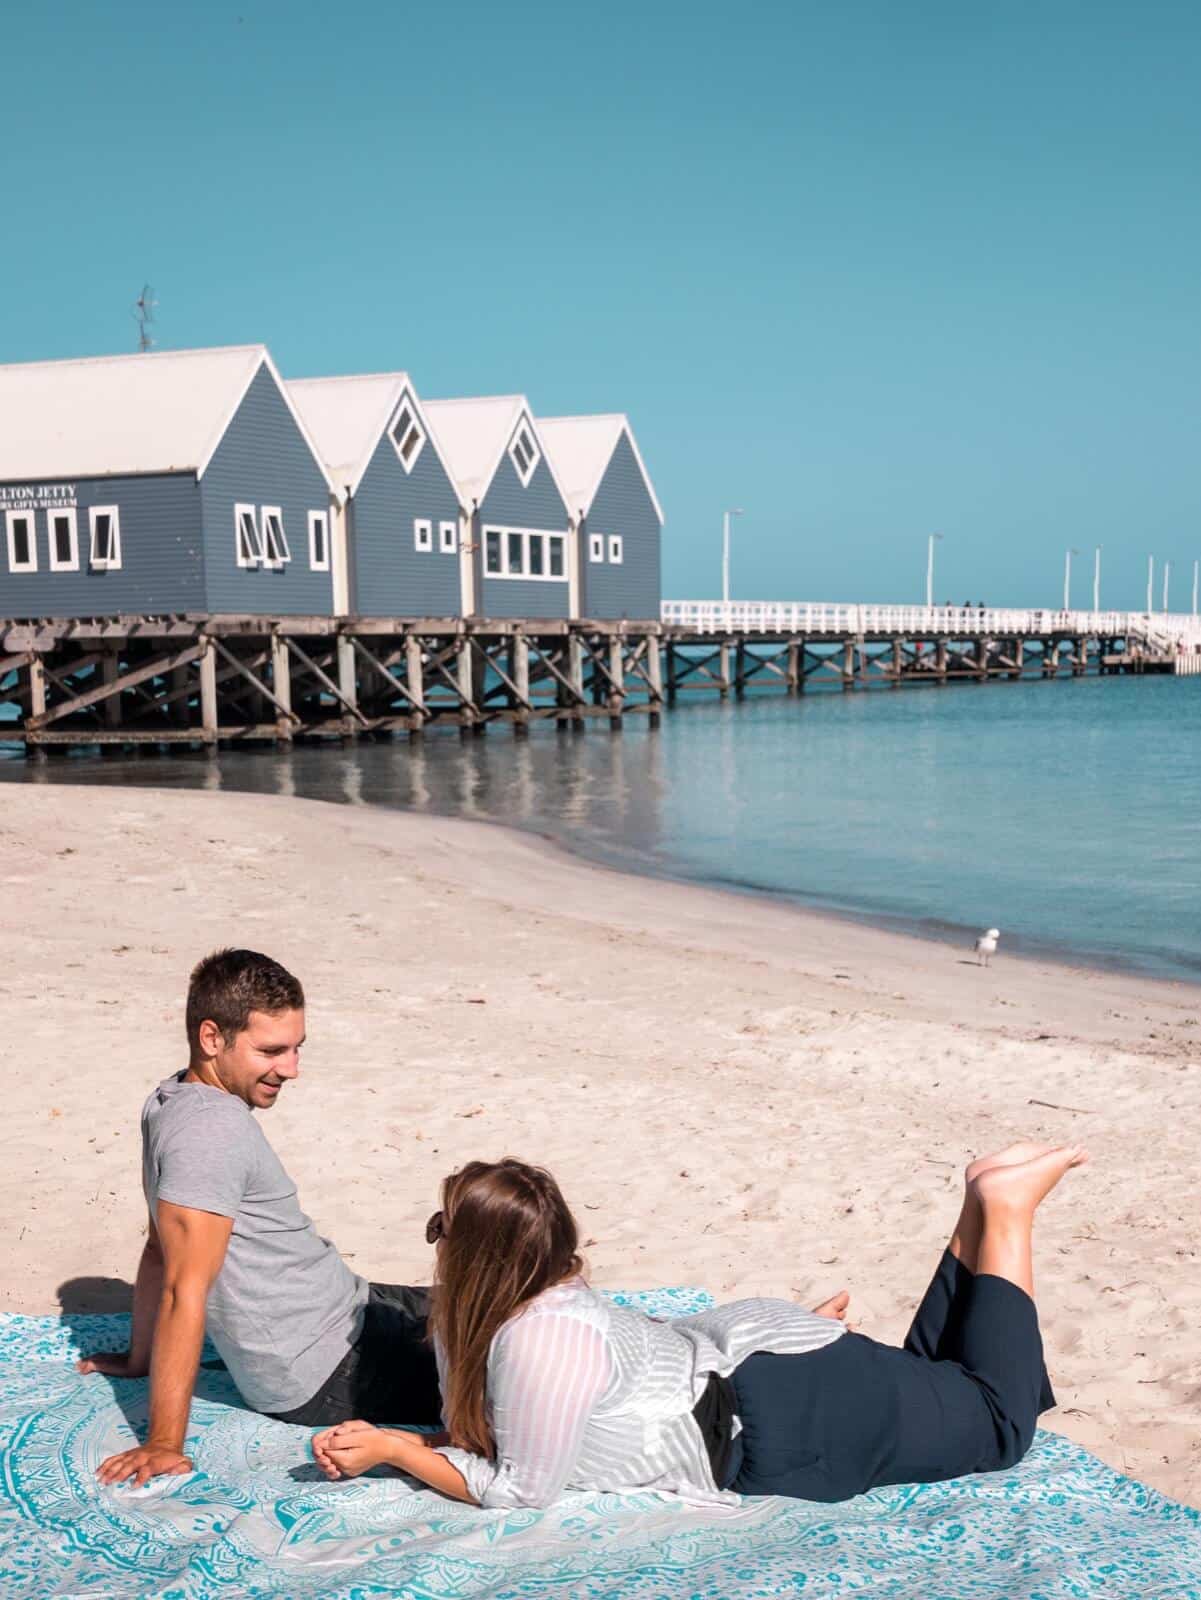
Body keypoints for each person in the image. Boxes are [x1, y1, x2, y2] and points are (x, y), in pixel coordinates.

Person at [312, 1143, 1086, 1508]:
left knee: (995, 1426)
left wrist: (392, 1449)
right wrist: (408, 1442)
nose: (435, 1244)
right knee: (938, 1384)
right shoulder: (503, 1315)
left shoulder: (534, 1338)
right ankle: (978, 1205)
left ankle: (1007, 1210)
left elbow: (519, 1489)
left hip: (782, 1413)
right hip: (762, 1367)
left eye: (442, 1231)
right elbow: (498, 1433)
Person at [79, 948, 441, 1487]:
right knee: (522, 1345)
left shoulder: (169, 1099)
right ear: (211, 1039)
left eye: (297, 1048)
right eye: (271, 1050)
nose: (291, 1069)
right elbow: (183, 1287)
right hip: (332, 1368)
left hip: (350, 1311)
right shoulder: (211, 1134)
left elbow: (160, 1247)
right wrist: (163, 1443)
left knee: (486, 1295)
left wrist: (140, 1359)